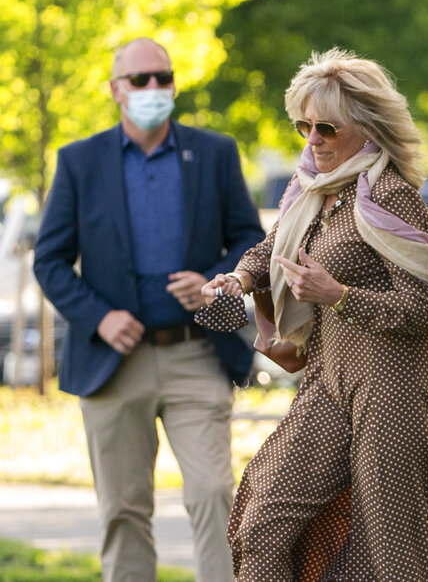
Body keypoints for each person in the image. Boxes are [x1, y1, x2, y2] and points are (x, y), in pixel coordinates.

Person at [200, 47, 428, 580]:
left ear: (366, 126)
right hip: (328, 377)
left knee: (390, 554)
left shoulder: (393, 197)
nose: (313, 140)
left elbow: (420, 311)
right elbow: (273, 251)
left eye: (326, 128)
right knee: (262, 518)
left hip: (395, 384)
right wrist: (238, 279)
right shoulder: (311, 190)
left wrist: (338, 295)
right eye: (303, 126)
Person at [32, 37, 265, 582]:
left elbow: (250, 240)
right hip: (114, 364)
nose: (154, 88)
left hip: (197, 354)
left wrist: (215, 283)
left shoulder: (215, 153)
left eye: (163, 77)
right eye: (140, 80)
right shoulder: (78, 161)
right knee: (123, 510)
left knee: (213, 493)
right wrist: (99, 316)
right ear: (116, 90)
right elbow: (50, 261)